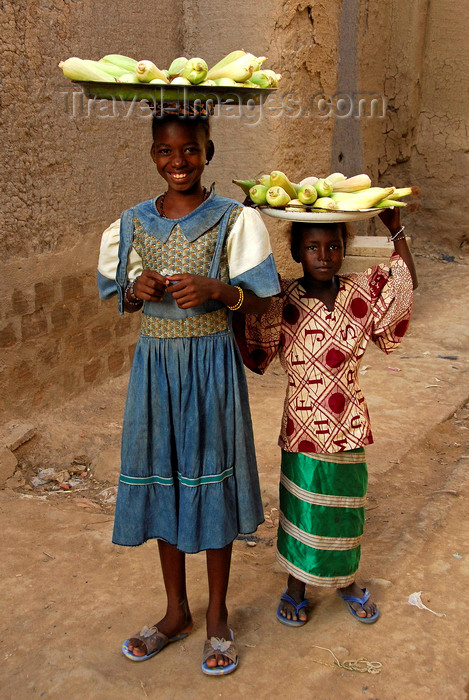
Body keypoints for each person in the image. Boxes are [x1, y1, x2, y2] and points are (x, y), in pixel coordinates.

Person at [97, 104, 280, 675]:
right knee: (165, 480)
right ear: (153, 155)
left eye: (191, 149)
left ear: (210, 151)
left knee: (210, 480)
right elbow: (121, 296)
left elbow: (262, 297)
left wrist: (217, 290)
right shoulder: (131, 222)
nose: (179, 161)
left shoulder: (234, 220)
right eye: (166, 151)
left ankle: (218, 614)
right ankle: (176, 612)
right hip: (155, 371)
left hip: (210, 370)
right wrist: (137, 288)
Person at [234, 208, 417, 625]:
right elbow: (245, 308)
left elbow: (403, 287)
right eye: (312, 247)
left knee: (345, 507)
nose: (324, 255)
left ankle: (346, 580)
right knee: (301, 508)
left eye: (333, 246)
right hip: (302, 424)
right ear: (297, 251)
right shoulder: (279, 299)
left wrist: (396, 229)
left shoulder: (361, 292)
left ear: (344, 249)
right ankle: (296, 586)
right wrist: (246, 221)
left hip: (349, 421)